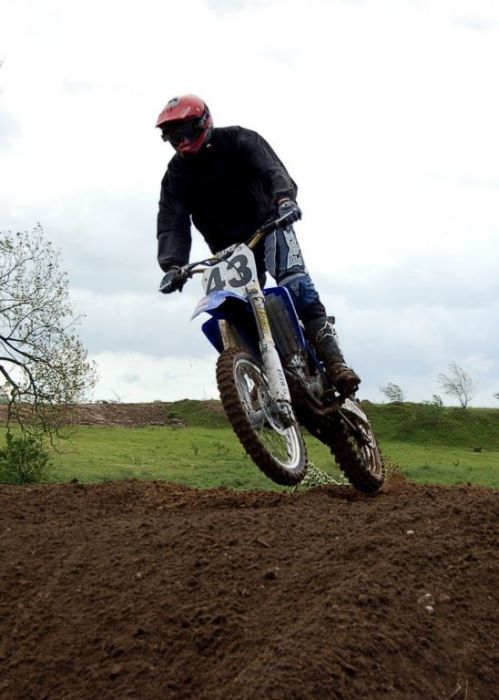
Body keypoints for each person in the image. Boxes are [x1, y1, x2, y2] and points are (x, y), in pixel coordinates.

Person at [155, 94, 360, 396]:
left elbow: (271, 169)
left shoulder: (239, 140)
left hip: (270, 224)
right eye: (173, 136)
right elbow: (172, 221)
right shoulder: (176, 176)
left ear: (203, 123)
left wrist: (285, 198)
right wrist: (173, 264)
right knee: (234, 309)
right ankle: (264, 374)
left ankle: (335, 361)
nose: (182, 141)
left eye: (186, 131)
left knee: (294, 283)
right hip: (230, 250)